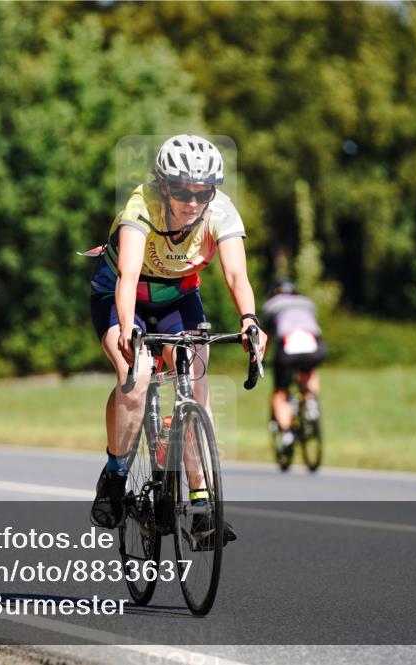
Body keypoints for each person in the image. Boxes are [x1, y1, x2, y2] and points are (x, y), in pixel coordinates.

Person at [87, 135, 266, 537]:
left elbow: (237, 275)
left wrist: (250, 321)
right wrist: (129, 331)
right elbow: (129, 275)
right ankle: (115, 474)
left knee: (195, 387)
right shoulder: (141, 204)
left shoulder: (219, 211)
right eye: (182, 191)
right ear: (164, 186)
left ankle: (201, 503)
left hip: (177, 301)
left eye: (203, 192)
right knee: (137, 379)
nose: (192, 201)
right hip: (122, 294)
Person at [262, 280, 327, 458]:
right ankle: (311, 400)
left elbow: (265, 337)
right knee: (309, 369)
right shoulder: (307, 303)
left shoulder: (271, 305)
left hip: (288, 349)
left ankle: (288, 433)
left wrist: (259, 358)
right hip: (314, 347)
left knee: (280, 392)